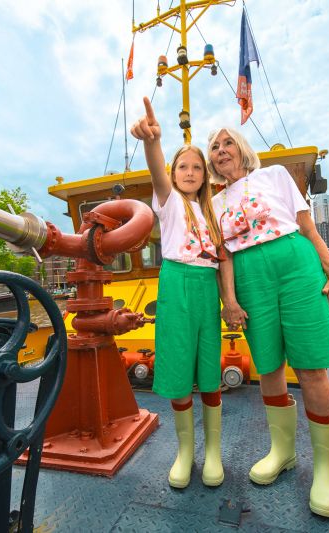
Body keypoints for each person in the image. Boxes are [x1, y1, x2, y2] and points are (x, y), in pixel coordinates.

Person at [207, 127, 329, 518]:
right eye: (214, 147)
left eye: (227, 142)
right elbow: (224, 258)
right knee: (268, 366)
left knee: (311, 366)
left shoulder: (275, 175)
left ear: (242, 148)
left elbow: (307, 226)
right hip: (249, 276)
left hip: (295, 265)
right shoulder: (213, 205)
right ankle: (282, 452)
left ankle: (326, 469)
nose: (220, 150)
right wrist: (229, 301)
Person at [130, 97, 228, 489]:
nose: (189, 172)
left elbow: (225, 259)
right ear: (173, 173)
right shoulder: (169, 203)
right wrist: (153, 142)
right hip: (176, 283)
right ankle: (185, 451)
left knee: (208, 370)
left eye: (196, 167)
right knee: (176, 367)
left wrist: (230, 300)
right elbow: (156, 172)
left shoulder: (215, 211)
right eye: (182, 167)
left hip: (208, 288)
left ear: (206, 175)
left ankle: (214, 453)